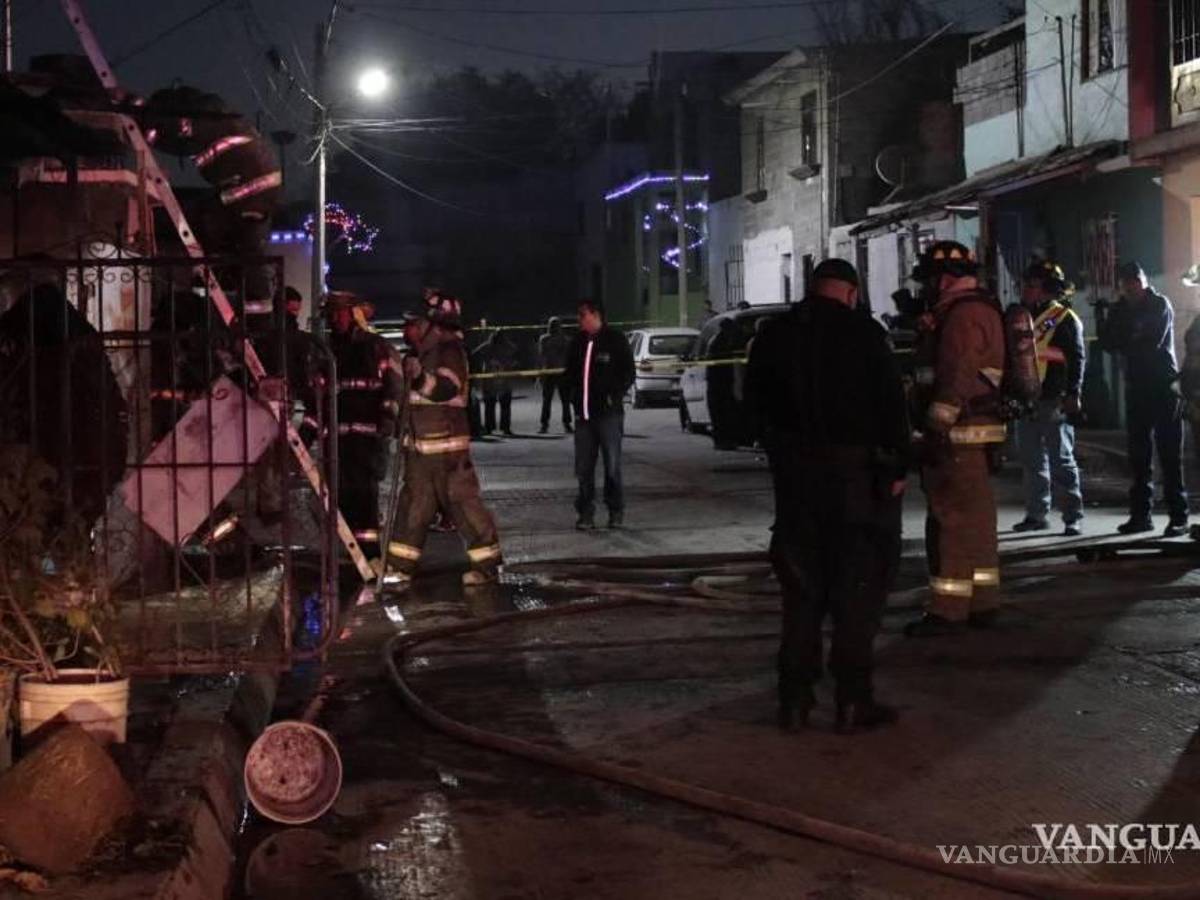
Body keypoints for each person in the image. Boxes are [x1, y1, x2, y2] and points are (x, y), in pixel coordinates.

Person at [747, 258, 909, 733]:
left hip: (795, 483)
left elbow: (751, 404)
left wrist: (779, 449)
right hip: (854, 484)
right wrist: (896, 466)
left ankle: (794, 701)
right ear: (851, 292)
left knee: (801, 596)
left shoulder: (775, 335)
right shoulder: (864, 334)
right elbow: (891, 406)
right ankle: (852, 701)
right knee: (855, 595)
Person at [904, 241, 1007, 638]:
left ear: (943, 277)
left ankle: (948, 609)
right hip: (976, 430)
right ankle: (983, 602)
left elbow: (956, 377)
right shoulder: (979, 309)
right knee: (978, 522)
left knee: (951, 521)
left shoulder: (961, 317)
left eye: (929, 279)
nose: (926, 288)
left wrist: (934, 428)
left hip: (957, 434)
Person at [385, 290, 503, 587]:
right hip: (420, 453)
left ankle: (487, 567)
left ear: (430, 325)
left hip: (448, 453)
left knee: (465, 508)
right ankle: (399, 568)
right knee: (412, 509)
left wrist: (421, 378)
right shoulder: (418, 355)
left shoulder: (450, 351)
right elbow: (407, 402)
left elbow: (447, 388)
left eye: (412, 323)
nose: (406, 330)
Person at [1097, 262, 1189, 536]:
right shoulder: (1121, 309)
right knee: (1139, 457)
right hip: (1137, 387)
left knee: (1169, 454)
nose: (1131, 287)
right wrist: (1126, 334)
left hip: (1163, 387)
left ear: (1143, 280)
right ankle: (1141, 516)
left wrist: (1125, 337)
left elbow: (1151, 340)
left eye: (1135, 281)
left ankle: (1178, 516)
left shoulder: (1159, 304)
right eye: (1127, 283)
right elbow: (1108, 342)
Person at [325, 291, 403, 559]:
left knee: (365, 498)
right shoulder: (328, 349)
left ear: (354, 314)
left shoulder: (376, 346)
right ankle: (351, 553)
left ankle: (369, 553)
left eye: (340, 312)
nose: (334, 319)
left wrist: (386, 423)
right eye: (331, 313)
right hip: (338, 439)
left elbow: (394, 388)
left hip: (368, 439)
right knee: (342, 496)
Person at [1011, 260, 1086, 536]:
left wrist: (1073, 394)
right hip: (1026, 398)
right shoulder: (1021, 317)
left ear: (1046, 290)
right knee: (1032, 461)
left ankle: (1072, 516)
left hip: (1053, 398)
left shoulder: (1064, 319)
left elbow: (1076, 360)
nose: (1026, 291)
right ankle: (1036, 514)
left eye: (1031, 286)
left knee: (1061, 460)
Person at [563, 298, 635, 530]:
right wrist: (572, 398)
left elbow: (628, 373)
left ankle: (615, 511)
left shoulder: (615, 340)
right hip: (583, 417)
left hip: (608, 416)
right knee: (584, 468)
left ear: (596, 315)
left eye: (582, 315)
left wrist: (613, 396)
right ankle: (585, 514)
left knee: (612, 465)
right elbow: (570, 373)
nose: (579, 320)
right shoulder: (578, 342)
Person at [538, 317, 573, 434]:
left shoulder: (564, 340)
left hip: (561, 372)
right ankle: (545, 424)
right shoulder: (545, 339)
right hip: (550, 372)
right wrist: (540, 374)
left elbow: (569, 356)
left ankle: (566, 423)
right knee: (548, 400)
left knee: (565, 400)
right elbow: (542, 356)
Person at [478, 329, 517, 436]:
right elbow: (476, 355)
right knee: (493, 405)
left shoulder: (506, 347)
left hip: (502, 379)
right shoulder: (488, 347)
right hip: (492, 379)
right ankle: (495, 427)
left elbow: (515, 355)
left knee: (500, 405)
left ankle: (500, 427)